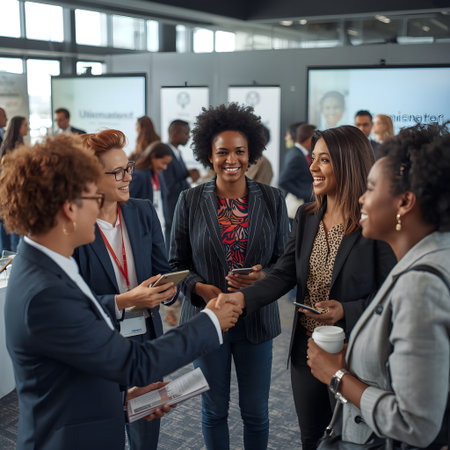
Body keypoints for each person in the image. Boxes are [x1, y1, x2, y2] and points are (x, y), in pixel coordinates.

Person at [0, 133, 241, 450]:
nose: (99, 207)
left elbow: (69, 374)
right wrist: (211, 320)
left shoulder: (45, 267)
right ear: (69, 208)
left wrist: (122, 400)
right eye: (92, 197)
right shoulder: (45, 291)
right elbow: (135, 364)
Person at [217, 125, 396, 450]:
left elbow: (392, 293)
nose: (311, 167)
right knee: (311, 438)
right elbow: (283, 274)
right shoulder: (307, 215)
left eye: (323, 160)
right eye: (313, 158)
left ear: (348, 163)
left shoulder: (373, 221)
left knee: (354, 442)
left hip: (353, 355)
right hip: (306, 352)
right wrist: (239, 300)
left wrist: (347, 309)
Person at [307, 123, 450, 448]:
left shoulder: (421, 286)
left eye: (371, 188)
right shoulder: (436, 253)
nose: (362, 198)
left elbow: (413, 423)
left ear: (404, 203)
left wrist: (338, 376)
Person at [170, 103, 290, 450]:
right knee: (213, 411)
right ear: (209, 154)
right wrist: (200, 289)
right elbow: (175, 264)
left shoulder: (272, 199)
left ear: (251, 152)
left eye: (240, 151)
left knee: (256, 413)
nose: (231, 159)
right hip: (206, 321)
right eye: (222, 152)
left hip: (257, 320)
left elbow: (285, 261)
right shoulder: (190, 200)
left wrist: (262, 278)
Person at [74, 130, 176, 450]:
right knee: (104, 433)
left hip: (145, 339)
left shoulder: (142, 211)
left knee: (146, 431)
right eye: (117, 172)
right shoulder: (75, 225)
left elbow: (164, 269)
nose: (127, 177)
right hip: (98, 345)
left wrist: (167, 292)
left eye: (128, 167)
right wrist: (123, 300)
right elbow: (73, 304)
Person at [163, 119, 200, 243]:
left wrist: (187, 173)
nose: (189, 137)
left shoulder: (176, 153)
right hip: (172, 207)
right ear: (175, 133)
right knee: (172, 243)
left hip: (179, 207)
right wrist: (190, 179)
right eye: (186, 133)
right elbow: (169, 187)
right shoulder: (166, 155)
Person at [130, 140, 172, 236]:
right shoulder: (138, 175)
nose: (165, 168)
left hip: (161, 226)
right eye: (163, 163)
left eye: (167, 164)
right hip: (144, 229)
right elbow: (129, 202)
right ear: (153, 157)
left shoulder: (159, 176)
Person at [0, 115, 28, 253]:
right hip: (15, 194)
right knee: (14, 235)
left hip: (11, 194)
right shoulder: (16, 146)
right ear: (18, 127)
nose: (27, 128)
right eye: (25, 125)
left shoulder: (11, 144)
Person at [278, 124, 315, 221]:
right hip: (296, 207)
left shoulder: (303, 153)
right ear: (310, 138)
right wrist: (302, 194)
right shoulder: (296, 155)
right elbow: (282, 180)